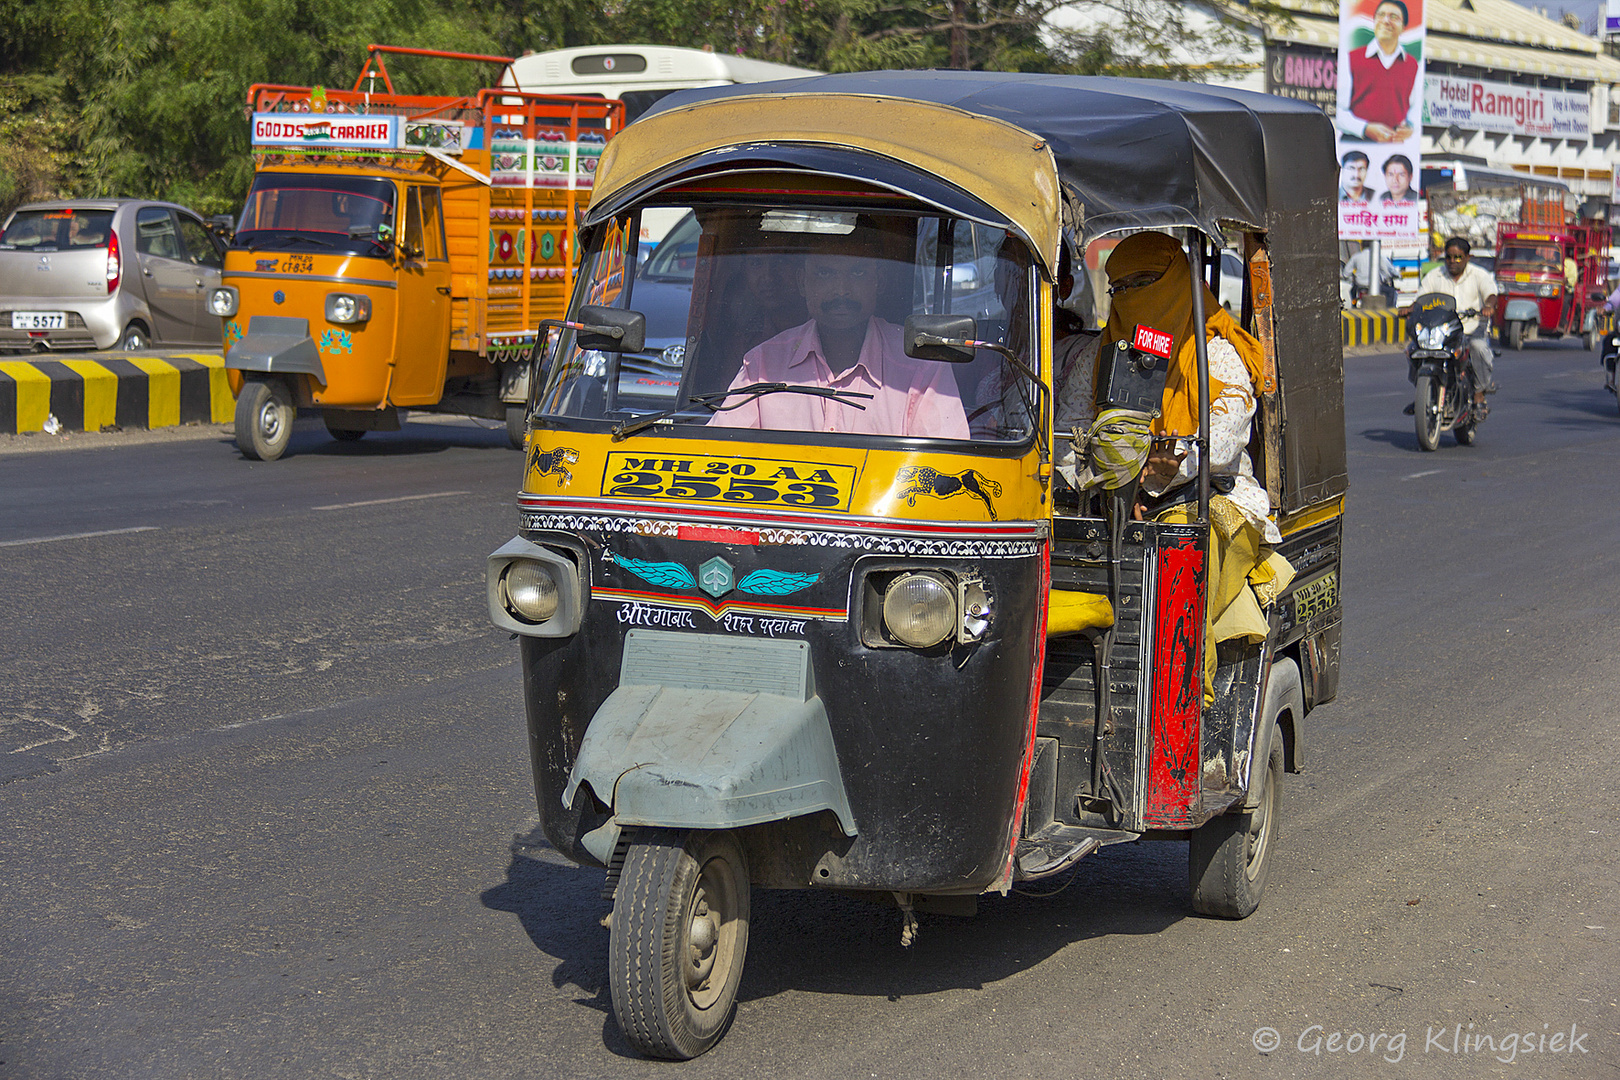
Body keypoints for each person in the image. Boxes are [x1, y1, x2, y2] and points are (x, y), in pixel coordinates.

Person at [1054, 231, 1291, 698]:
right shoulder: (1098, 354)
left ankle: (1182, 700)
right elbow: (1068, 436)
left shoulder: (1214, 353)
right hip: (1109, 504)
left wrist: (1165, 472)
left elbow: (1224, 438)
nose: (1133, 298)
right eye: (1122, 287)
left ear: (1177, 282)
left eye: (1147, 282)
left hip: (1208, 496)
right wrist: (1114, 480)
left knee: (1178, 579)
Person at [707, 226, 970, 438]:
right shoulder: (762, 364)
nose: (841, 290)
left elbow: (943, 472)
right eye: (825, 273)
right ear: (802, 283)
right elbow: (719, 456)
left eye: (857, 272)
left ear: (878, 282)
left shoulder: (920, 366)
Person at [1417, 236, 1499, 403]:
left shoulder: (1479, 275)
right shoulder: (1435, 276)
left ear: (1467, 257)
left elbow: (1491, 294)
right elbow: (1421, 298)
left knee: (1479, 348)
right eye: (1449, 257)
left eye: (1458, 257)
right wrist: (1411, 308)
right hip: (1443, 332)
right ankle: (1422, 391)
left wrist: (1488, 306)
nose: (1452, 261)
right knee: (1413, 349)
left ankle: (1479, 392)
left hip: (1472, 330)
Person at [1337, 0, 1421, 144]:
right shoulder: (1350, 58)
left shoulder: (1412, 65)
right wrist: (1365, 128)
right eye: (1381, 15)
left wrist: (1410, 127)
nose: (1386, 21)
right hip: (1356, 145)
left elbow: (1414, 107)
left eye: (1394, 17)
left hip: (1395, 149)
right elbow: (1339, 110)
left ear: (1403, 27)